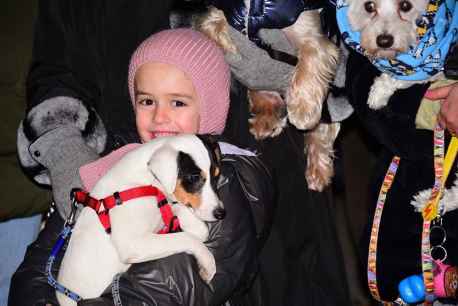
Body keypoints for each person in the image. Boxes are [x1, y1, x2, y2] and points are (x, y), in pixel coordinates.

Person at [11, 20, 274, 306]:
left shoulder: (225, 182)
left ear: (210, 106)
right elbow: (37, 264)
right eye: (147, 101)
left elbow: (165, 290)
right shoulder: (116, 165)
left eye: (178, 103)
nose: (159, 117)